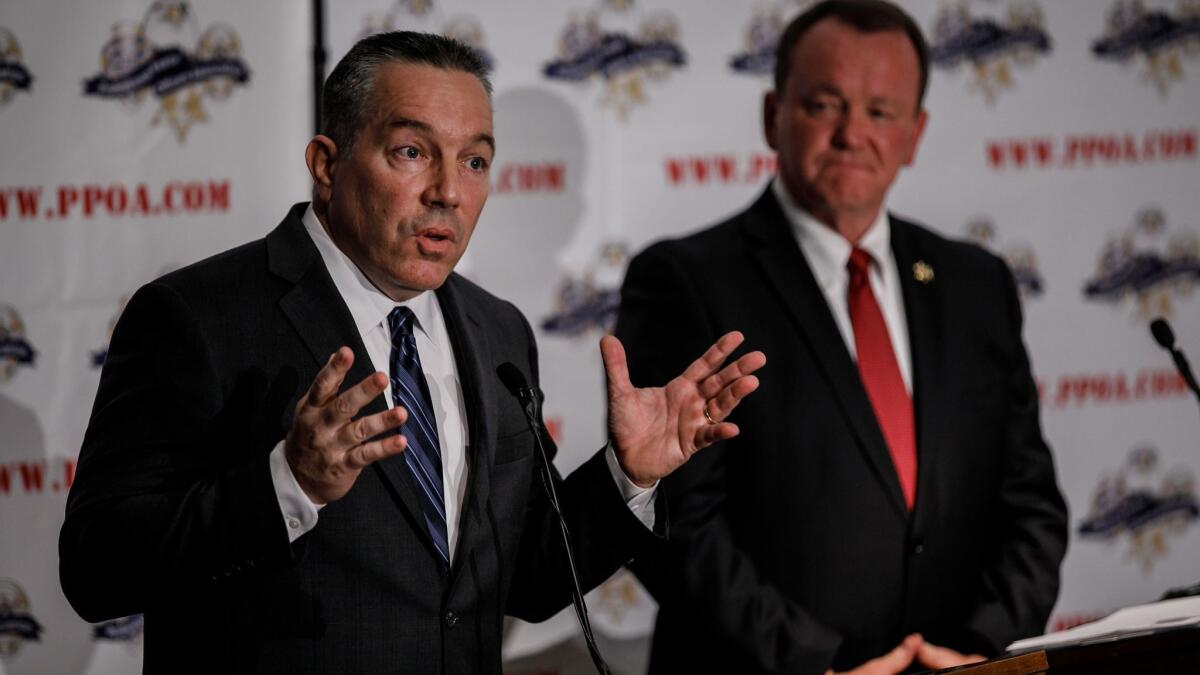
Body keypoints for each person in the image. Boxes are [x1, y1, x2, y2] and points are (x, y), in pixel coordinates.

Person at [59, 31, 764, 675]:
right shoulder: (195, 316)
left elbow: (528, 578)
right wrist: (287, 484)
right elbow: (96, 570)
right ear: (327, 164)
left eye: (476, 161)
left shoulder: (499, 332)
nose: (449, 192)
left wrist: (625, 477)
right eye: (412, 152)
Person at [615, 1, 1068, 673]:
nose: (853, 133)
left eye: (881, 113)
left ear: (914, 134)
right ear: (773, 116)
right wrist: (813, 663)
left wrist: (977, 653)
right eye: (825, 105)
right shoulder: (686, 280)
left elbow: (1030, 504)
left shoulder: (977, 283)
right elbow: (675, 523)